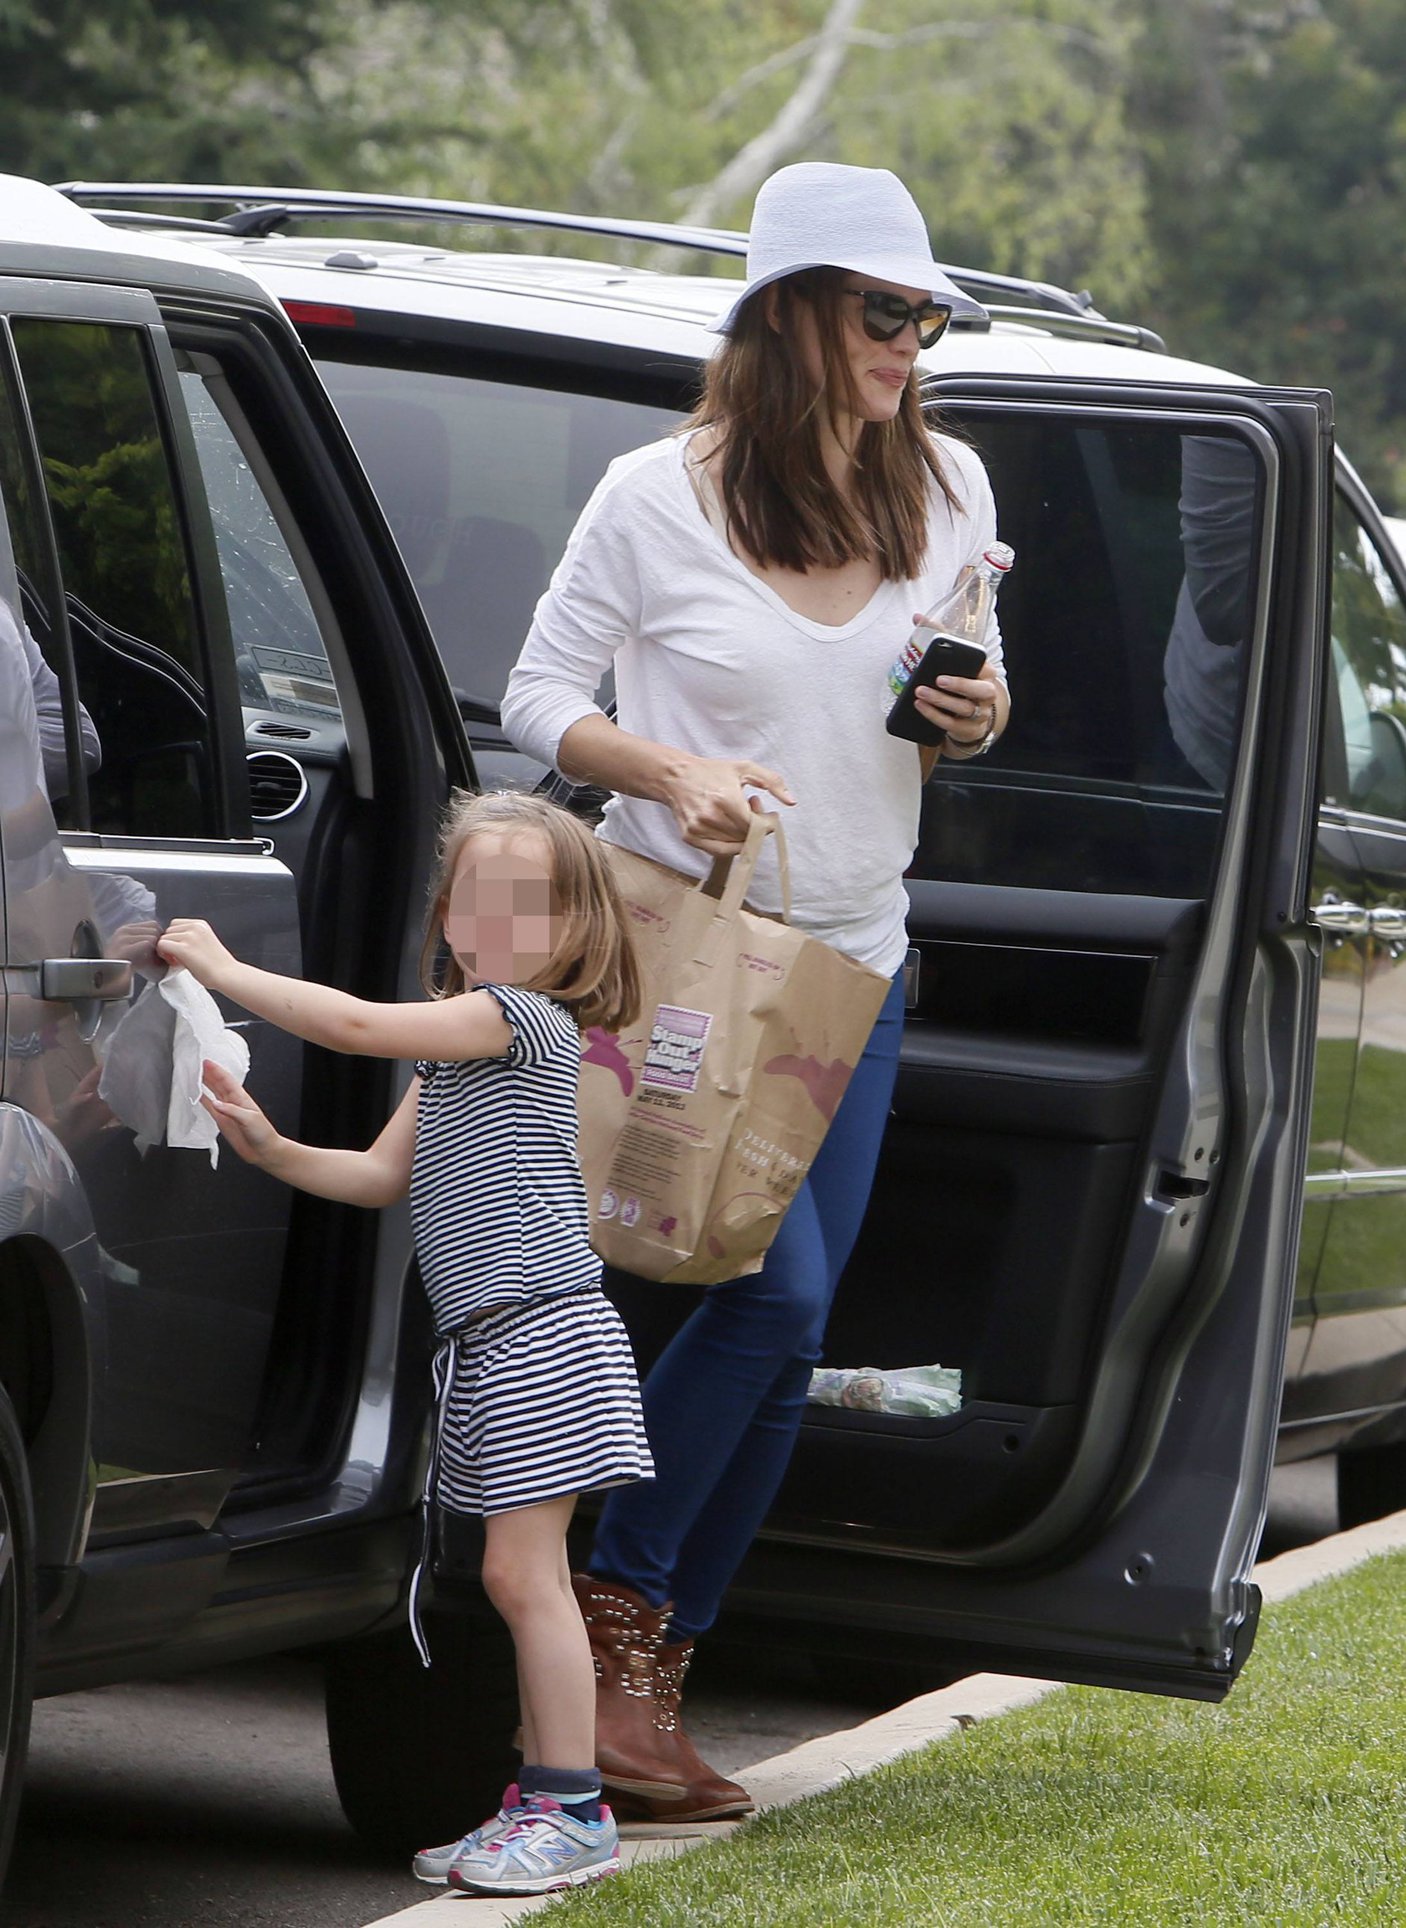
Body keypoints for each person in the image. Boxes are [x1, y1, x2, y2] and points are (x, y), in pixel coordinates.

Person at [501, 160, 1010, 1820]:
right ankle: (609, 1598)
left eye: (928, 315)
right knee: (769, 1295)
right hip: (689, 966)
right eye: (887, 311)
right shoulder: (657, 494)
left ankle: (646, 1680)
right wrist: (672, 767)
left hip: (857, 966)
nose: (912, 342)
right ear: (790, 315)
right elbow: (534, 698)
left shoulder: (946, 492)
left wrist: (975, 712)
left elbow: (967, 680)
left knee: (780, 1340)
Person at [156, 790, 653, 1900]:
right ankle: (542, 1798)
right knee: (513, 1575)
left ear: (579, 927)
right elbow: (381, 1178)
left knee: (528, 1578)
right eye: (479, 897)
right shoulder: (456, 1058)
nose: (500, 920)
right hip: (489, 1342)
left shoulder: (522, 1021)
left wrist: (226, 969)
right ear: (447, 912)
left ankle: (571, 1804)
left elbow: (355, 1025)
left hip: (542, 1333)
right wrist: (271, 1143)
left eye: (531, 902)